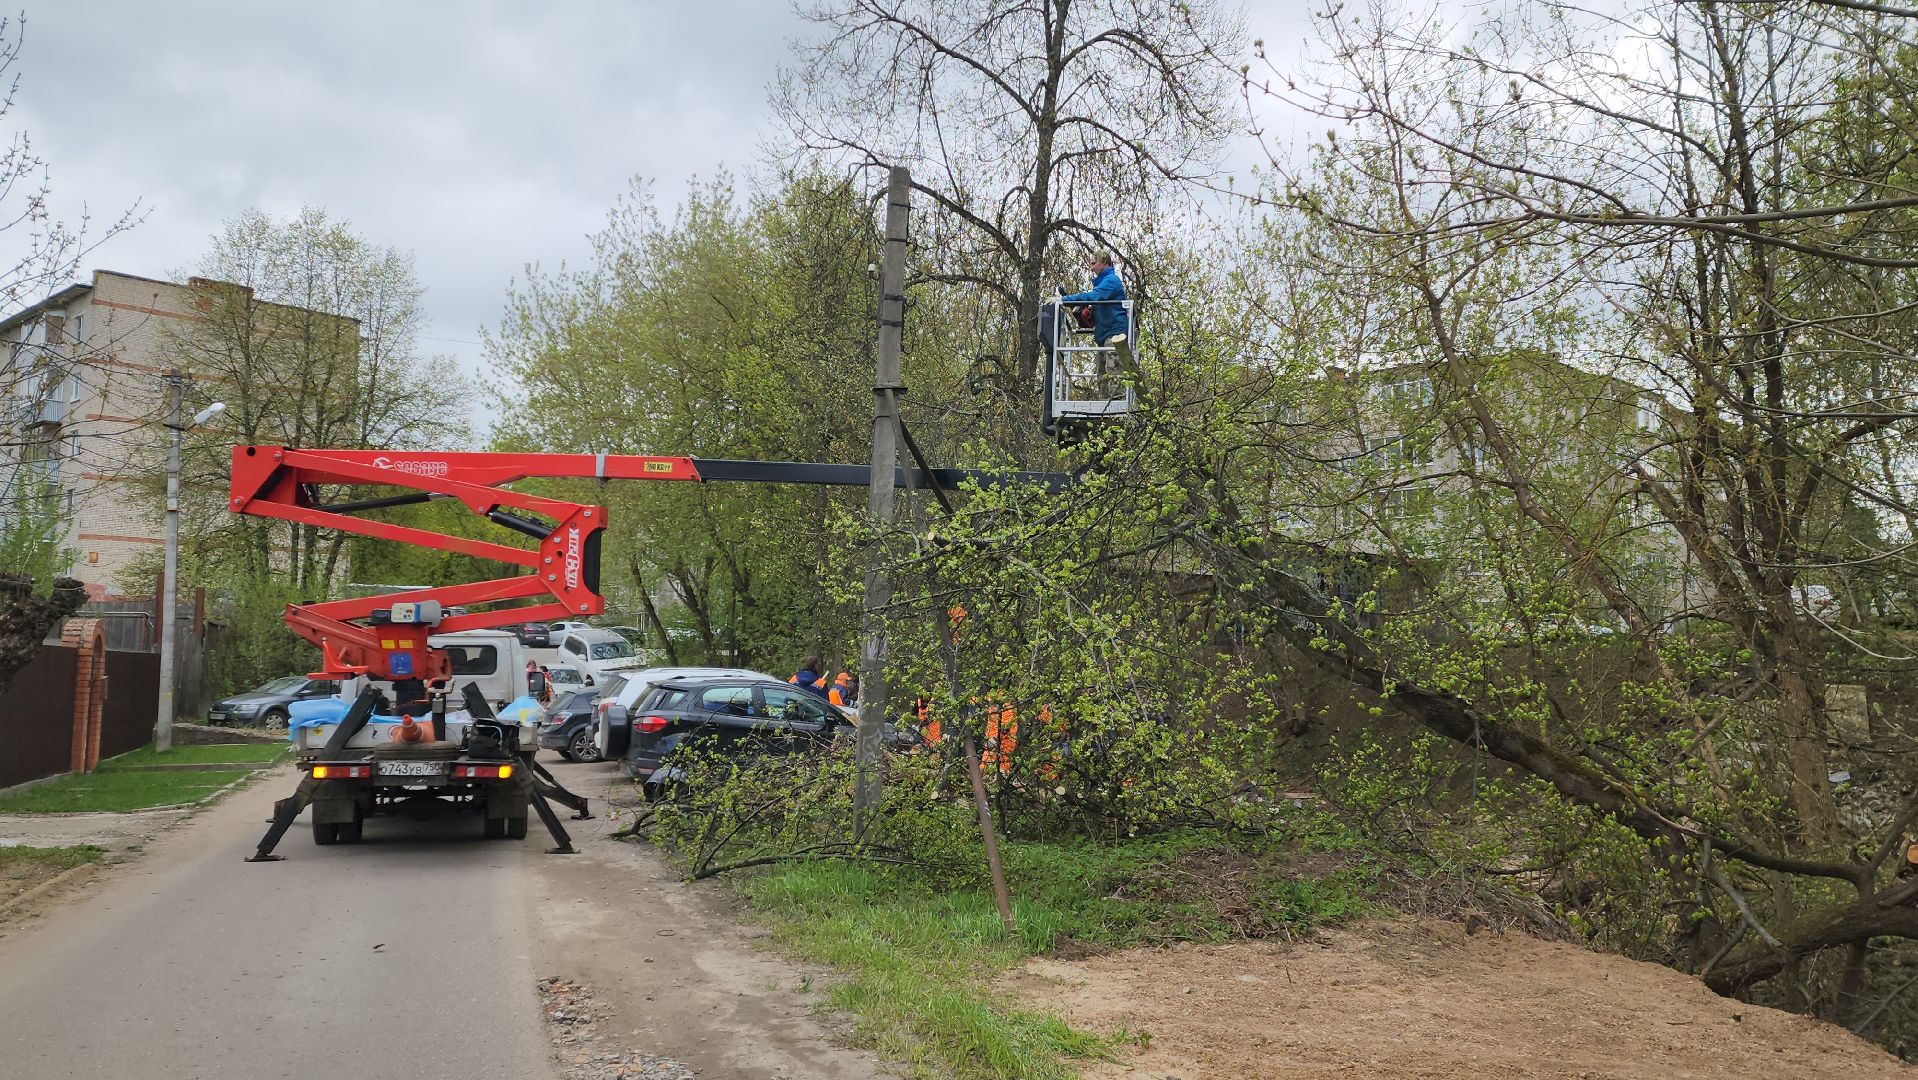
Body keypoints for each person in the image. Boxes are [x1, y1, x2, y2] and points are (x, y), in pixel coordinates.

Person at [1059, 252, 1134, 392]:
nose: (1091, 267)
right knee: (1102, 378)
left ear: (1104, 263)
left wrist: (1063, 300)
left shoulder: (1112, 281)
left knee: (1115, 375)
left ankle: (1116, 404)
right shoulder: (1103, 283)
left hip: (1115, 336)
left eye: (1094, 263)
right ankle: (1104, 405)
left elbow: (1094, 296)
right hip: (1104, 338)